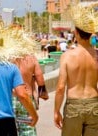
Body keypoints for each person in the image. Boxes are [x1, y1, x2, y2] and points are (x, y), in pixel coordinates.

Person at [54, 3, 98, 136]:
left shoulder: (67, 56)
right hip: (94, 103)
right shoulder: (97, 56)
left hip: (74, 105)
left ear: (76, 33)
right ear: (90, 34)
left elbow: (61, 87)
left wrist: (56, 111)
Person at [13, 55, 48, 136]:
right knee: (28, 129)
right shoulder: (31, 58)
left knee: (9, 129)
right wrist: (43, 94)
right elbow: (40, 79)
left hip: (9, 98)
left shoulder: (6, 57)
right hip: (26, 97)